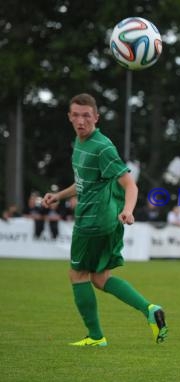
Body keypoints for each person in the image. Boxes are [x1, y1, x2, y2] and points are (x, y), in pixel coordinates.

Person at [41, 93, 167, 347]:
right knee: (100, 278)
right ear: (69, 117)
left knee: (77, 275)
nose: (81, 121)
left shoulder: (102, 147)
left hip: (93, 221)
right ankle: (150, 309)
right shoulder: (79, 143)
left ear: (96, 118)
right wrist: (59, 195)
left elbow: (130, 185)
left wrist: (129, 210)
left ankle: (96, 337)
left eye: (86, 116)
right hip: (104, 220)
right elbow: (83, 183)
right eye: (76, 115)